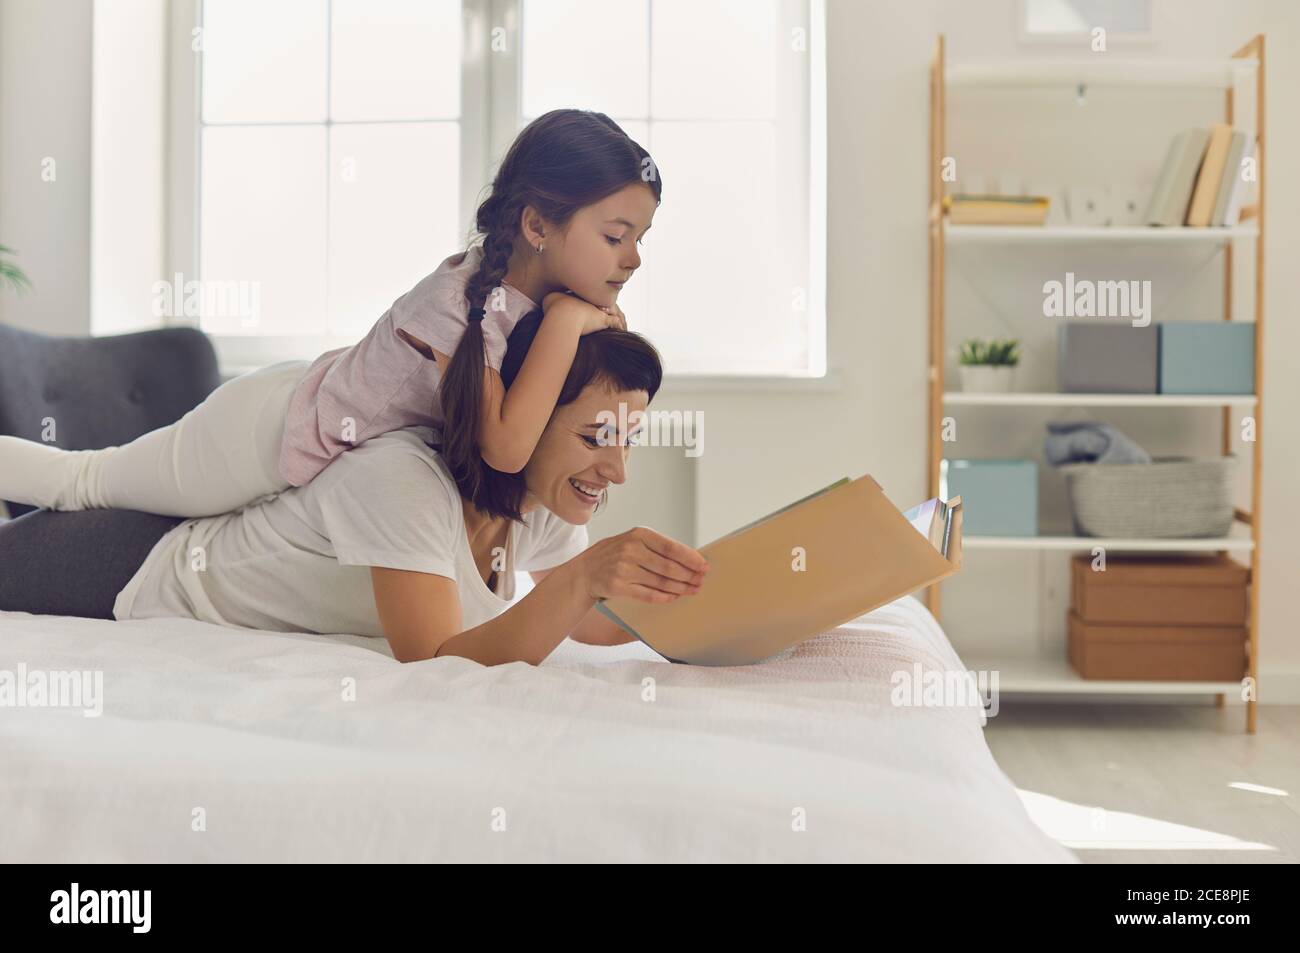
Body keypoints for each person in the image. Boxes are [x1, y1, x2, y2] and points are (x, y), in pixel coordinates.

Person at [0, 108, 658, 518]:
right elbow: (509, 447)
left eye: (638, 240)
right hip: (264, 429)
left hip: (298, 414)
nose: (631, 260)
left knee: (118, 504)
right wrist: (572, 325)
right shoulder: (461, 308)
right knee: (86, 479)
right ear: (537, 223)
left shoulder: (534, 307)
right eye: (614, 236)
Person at [0, 314, 709, 667]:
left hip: (175, 543)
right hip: (139, 560)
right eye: (595, 439)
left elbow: (593, 622)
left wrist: (712, 604)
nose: (617, 472)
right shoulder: (404, 476)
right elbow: (435, 657)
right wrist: (579, 579)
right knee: (68, 490)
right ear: (518, 423)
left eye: (625, 440)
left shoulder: (541, 500)